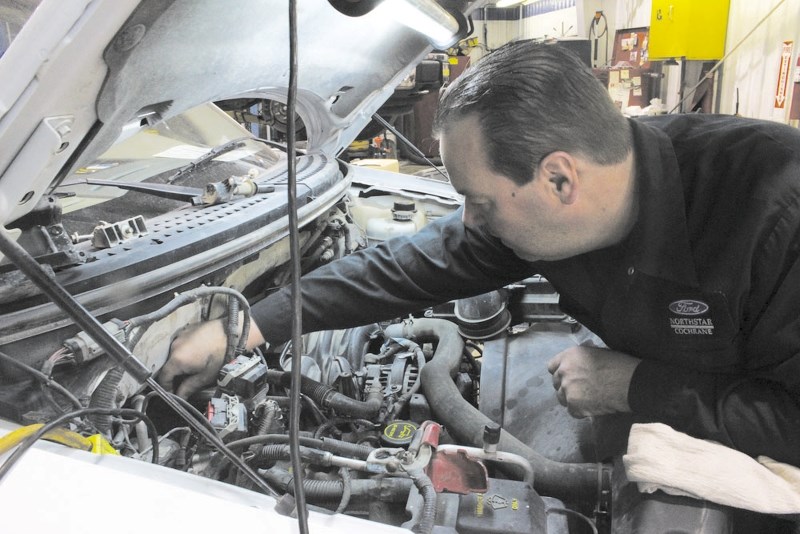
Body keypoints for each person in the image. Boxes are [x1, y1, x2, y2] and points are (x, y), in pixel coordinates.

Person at [158, 40, 800, 467]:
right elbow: (411, 265)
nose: (472, 221)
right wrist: (246, 326)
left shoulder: (775, 215)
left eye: (481, 201)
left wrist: (637, 385)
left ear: (558, 179)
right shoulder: (562, 211)